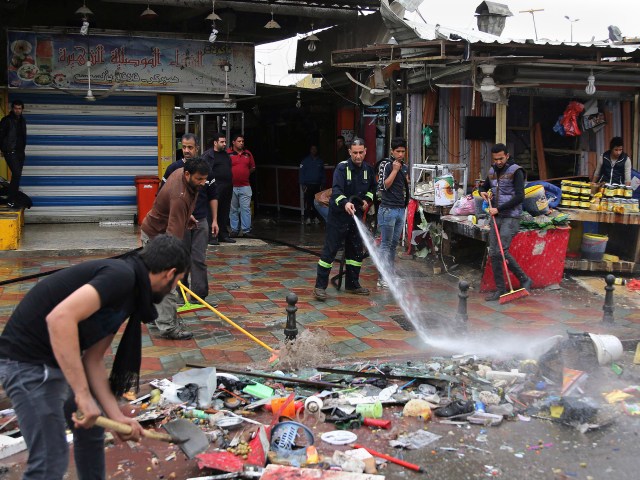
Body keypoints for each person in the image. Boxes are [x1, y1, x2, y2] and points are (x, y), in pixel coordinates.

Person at [0, 234, 190, 480]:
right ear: (169, 273)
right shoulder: (120, 276)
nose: (174, 288)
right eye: (178, 281)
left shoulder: (132, 292)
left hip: (54, 361)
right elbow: (60, 319)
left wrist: (116, 416)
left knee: (92, 428)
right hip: (27, 363)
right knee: (49, 461)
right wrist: (81, 395)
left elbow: (93, 359)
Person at [141, 157, 209, 339]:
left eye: (205, 179)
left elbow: (175, 211)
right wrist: (175, 263)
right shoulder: (180, 196)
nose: (203, 183)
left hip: (156, 229)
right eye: (199, 179)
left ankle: (152, 316)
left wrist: (187, 217)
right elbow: (173, 235)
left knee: (155, 279)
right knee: (167, 281)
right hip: (157, 235)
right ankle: (168, 327)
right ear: (187, 174)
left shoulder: (183, 175)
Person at [313, 137, 376, 300]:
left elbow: (372, 190)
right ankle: (320, 287)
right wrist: (346, 203)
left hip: (355, 217)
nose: (358, 156)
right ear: (349, 152)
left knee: (355, 252)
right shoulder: (342, 169)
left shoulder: (368, 170)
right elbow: (337, 191)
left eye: (361, 152)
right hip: (339, 217)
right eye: (355, 153)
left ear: (365, 152)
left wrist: (367, 201)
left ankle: (352, 284)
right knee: (330, 251)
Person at [161, 133, 219, 306]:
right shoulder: (174, 169)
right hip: (181, 222)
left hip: (201, 221)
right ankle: (180, 296)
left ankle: (199, 297)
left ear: (197, 148)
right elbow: (162, 195)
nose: (186, 150)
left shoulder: (205, 168)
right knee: (181, 259)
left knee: (198, 258)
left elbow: (213, 195)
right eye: (184, 147)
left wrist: (214, 220)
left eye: (190, 147)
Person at [479, 144, 532, 301]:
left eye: (501, 158)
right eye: (495, 159)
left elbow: (520, 197)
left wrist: (499, 209)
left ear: (507, 156)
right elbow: (484, 185)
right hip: (497, 216)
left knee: (502, 250)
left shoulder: (517, 171)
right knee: (494, 252)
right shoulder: (492, 170)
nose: (498, 162)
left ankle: (524, 279)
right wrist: (481, 190)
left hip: (511, 216)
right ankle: (500, 290)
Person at [376, 137, 410, 289]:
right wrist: (395, 170)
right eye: (398, 151)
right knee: (385, 244)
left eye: (403, 151)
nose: (401, 154)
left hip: (400, 209)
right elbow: (384, 186)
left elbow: (404, 186)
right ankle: (382, 277)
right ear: (392, 151)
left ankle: (390, 274)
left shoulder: (405, 167)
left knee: (394, 245)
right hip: (387, 209)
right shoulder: (386, 164)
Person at [203, 132, 236, 244]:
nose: (224, 144)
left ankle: (223, 234)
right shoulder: (208, 155)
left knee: (224, 211)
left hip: (227, 187)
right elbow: (204, 171)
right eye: (222, 142)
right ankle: (212, 236)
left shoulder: (226, 155)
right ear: (215, 143)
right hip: (215, 187)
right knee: (212, 212)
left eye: (225, 142)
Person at [0, 99, 27, 208]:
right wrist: (2, 149)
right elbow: (0, 136)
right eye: (15, 108)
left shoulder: (22, 120)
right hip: (10, 151)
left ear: (22, 109)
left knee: (17, 176)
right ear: (12, 108)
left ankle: (13, 197)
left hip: (20, 152)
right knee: (16, 174)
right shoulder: (6, 120)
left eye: (19, 108)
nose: (17, 110)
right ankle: (11, 200)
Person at [228, 133, 256, 237]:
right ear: (233, 142)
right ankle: (234, 230)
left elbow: (253, 167)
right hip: (232, 186)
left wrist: (246, 173)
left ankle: (246, 231)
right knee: (233, 209)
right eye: (239, 141)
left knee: (246, 209)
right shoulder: (228, 153)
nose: (241, 143)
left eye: (242, 141)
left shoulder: (247, 154)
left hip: (245, 186)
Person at [299, 145, 325, 225]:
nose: (314, 150)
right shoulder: (305, 161)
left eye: (315, 149)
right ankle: (308, 218)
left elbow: (323, 174)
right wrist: (303, 184)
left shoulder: (320, 161)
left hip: (317, 185)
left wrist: (323, 183)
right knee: (308, 202)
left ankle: (316, 218)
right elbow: (301, 173)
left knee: (317, 202)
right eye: (312, 149)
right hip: (308, 185)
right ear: (310, 150)